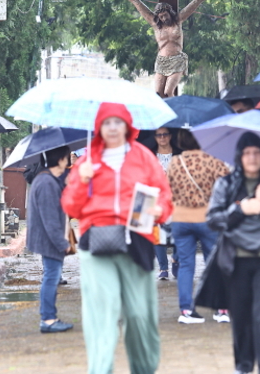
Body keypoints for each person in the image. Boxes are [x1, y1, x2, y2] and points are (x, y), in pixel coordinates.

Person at [61, 102, 174, 374]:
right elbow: (70, 207)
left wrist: (160, 209)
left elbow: (163, 195)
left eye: (118, 122)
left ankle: (144, 368)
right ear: (99, 127)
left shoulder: (144, 157)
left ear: (127, 126)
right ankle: (100, 369)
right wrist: (81, 180)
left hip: (138, 239)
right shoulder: (88, 161)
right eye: (107, 122)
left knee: (139, 314)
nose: (112, 127)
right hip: (96, 241)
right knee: (103, 313)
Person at [204, 132, 260, 374]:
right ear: (240, 156)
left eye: (257, 152)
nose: (252, 157)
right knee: (242, 316)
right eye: (247, 153)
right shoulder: (226, 184)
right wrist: (241, 209)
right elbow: (213, 220)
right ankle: (243, 366)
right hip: (236, 260)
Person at [112, 0, 226, 97]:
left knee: (168, 92)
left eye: (165, 15)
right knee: (157, 94)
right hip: (161, 60)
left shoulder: (178, 20)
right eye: (161, 16)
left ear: (170, 13)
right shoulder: (155, 24)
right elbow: (135, 1)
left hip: (177, 60)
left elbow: (197, 0)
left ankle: (174, 115)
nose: (163, 18)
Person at [167, 129, 230, 324]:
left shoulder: (174, 162)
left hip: (180, 219)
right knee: (216, 265)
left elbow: (168, 189)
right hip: (207, 219)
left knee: (186, 265)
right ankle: (221, 309)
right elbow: (228, 183)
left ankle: (186, 310)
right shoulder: (212, 160)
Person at [27, 146, 74, 333]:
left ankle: (49, 316)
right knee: (51, 278)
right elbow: (50, 220)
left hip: (48, 239)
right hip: (49, 240)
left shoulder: (48, 179)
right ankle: (48, 319)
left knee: (51, 277)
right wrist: (63, 244)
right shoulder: (46, 182)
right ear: (62, 159)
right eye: (67, 156)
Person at [152, 127, 181, 280]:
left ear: (170, 136)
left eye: (165, 134)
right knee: (158, 234)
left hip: (177, 198)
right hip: (157, 199)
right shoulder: (150, 155)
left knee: (179, 231)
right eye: (159, 135)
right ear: (155, 137)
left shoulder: (179, 153)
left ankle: (177, 260)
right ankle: (163, 268)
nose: (162, 137)